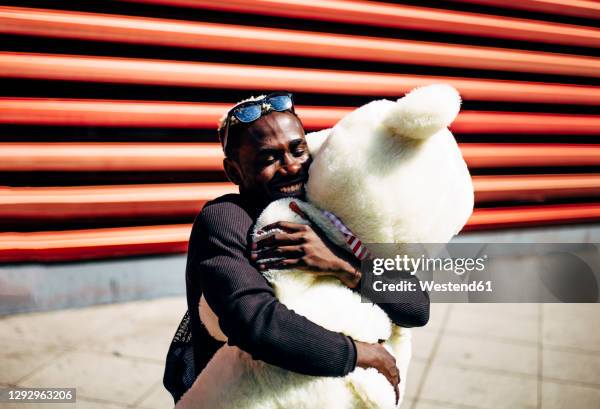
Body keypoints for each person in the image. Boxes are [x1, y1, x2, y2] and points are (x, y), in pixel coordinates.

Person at [163, 91, 430, 404]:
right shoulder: (224, 219)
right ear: (234, 172)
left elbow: (416, 307)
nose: (290, 166)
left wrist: (339, 264)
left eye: (297, 150)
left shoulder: (323, 212)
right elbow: (254, 322)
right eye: (268, 159)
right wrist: (360, 353)